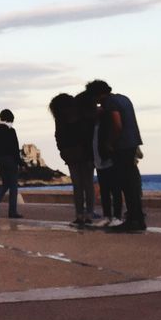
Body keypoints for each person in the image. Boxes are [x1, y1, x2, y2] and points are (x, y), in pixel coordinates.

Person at [86, 80, 145, 232]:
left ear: (97, 94)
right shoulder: (123, 98)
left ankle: (133, 220)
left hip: (122, 146)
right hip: (132, 143)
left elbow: (117, 124)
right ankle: (137, 218)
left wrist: (110, 142)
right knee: (131, 182)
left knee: (125, 183)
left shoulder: (109, 103)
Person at [50, 91, 99, 226]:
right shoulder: (82, 115)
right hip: (86, 153)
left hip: (71, 154)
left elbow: (58, 137)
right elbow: (88, 134)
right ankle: (89, 213)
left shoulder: (60, 119)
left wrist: (62, 151)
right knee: (88, 184)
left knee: (77, 185)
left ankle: (79, 214)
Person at [0, 109, 22, 218]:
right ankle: (12, 212)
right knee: (13, 186)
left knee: (5, 183)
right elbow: (15, 148)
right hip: (10, 159)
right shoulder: (11, 131)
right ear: (10, 118)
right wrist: (20, 162)